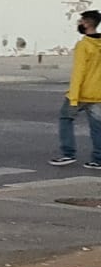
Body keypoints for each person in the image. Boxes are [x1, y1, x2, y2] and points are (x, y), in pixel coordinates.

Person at [51, 9, 101, 169]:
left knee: (65, 118)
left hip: (82, 93)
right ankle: (98, 159)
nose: (79, 24)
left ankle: (68, 153)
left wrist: (73, 96)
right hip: (98, 93)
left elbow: (79, 72)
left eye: (81, 21)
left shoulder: (83, 45)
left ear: (86, 23)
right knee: (97, 127)